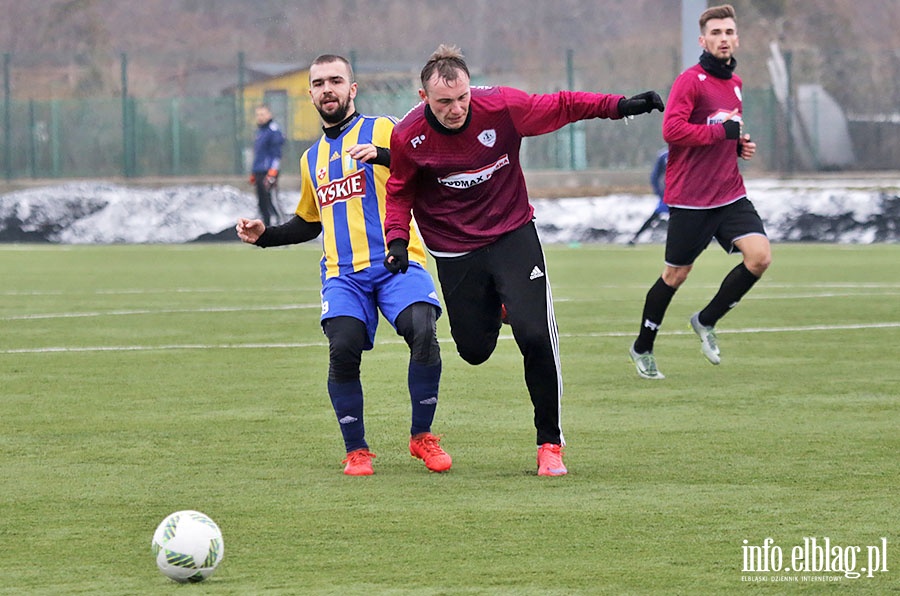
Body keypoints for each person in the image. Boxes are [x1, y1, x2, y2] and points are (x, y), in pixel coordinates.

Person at [383, 44, 664, 476]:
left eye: (462, 98)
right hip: (455, 248)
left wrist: (620, 105)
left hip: (513, 233)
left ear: (470, 89)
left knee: (536, 335)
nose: (456, 109)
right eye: (444, 102)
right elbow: (400, 189)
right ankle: (501, 304)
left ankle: (549, 443)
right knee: (474, 351)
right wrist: (397, 240)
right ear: (424, 99)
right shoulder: (408, 136)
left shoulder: (503, 106)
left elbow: (563, 105)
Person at [237, 54, 450, 476]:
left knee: (423, 330)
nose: (327, 89)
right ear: (311, 93)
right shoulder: (310, 158)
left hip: (398, 261)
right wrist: (267, 235)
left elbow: (428, 167)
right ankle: (357, 449)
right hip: (343, 275)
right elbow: (308, 222)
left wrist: (385, 155)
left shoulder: (384, 129)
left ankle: (421, 436)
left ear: (352, 89)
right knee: (344, 346)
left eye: (336, 80)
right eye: (319, 83)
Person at [628, 4, 771, 380]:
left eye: (728, 32)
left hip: (730, 194)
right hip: (691, 199)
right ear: (703, 40)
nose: (723, 39)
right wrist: (719, 135)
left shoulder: (735, 84)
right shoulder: (690, 81)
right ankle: (642, 346)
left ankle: (705, 320)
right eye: (716, 33)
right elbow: (672, 131)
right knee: (676, 275)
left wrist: (738, 145)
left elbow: (724, 130)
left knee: (759, 257)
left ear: (736, 38)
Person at [250, 104, 286, 226]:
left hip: (269, 171)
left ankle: (284, 228)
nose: (260, 117)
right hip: (259, 171)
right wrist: (254, 172)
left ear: (269, 115)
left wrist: (273, 171)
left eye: (262, 114)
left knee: (273, 201)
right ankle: (266, 231)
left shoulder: (273, 131)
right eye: (258, 114)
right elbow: (258, 154)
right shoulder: (260, 131)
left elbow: (276, 154)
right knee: (262, 202)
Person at [628, 148, 670, 245]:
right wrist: (659, 192)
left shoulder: (687, 152)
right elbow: (655, 176)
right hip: (668, 196)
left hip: (683, 197)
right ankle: (635, 237)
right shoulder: (664, 156)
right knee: (655, 216)